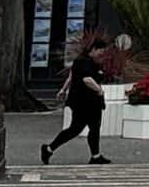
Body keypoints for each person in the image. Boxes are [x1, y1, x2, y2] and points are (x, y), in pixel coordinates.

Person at [41, 33, 113, 166]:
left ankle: (95, 156)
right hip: (83, 102)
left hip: (92, 102)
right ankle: (48, 149)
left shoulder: (91, 63)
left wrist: (63, 90)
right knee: (75, 129)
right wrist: (99, 90)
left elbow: (71, 77)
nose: (101, 55)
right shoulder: (84, 62)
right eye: (100, 52)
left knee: (94, 128)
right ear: (93, 49)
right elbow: (86, 79)